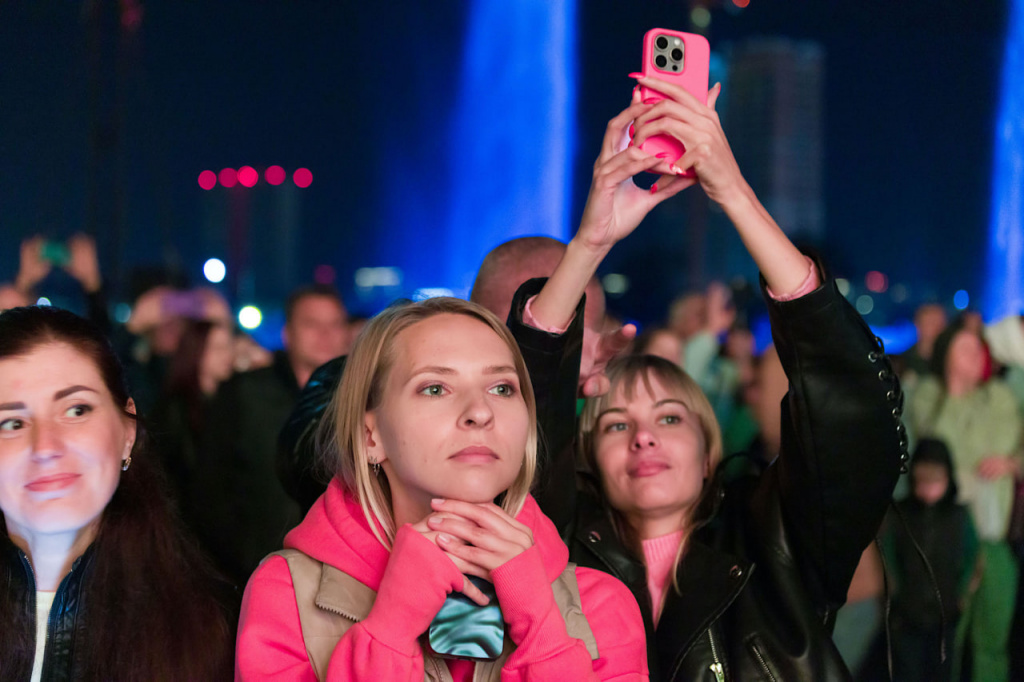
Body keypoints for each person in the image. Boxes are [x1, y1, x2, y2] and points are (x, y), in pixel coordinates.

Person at [511, 74, 904, 680]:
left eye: (669, 418)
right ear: (586, 454)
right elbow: (522, 423)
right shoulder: (554, 548)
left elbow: (852, 410)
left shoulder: (775, 542)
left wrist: (735, 194)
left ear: (708, 448)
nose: (644, 438)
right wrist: (589, 243)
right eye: (617, 424)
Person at [235, 297, 648, 680]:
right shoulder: (287, 592)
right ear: (369, 436)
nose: (480, 412)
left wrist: (543, 630)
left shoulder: (602, 603)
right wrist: (391, 629)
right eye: (435, 388)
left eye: (502, 388)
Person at [0, 305, 233, 681]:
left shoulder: (206, 627)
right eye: (11, 422)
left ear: (127, 431)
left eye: (76, 410)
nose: (45, 446)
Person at [905, 317, 1023, 682]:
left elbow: (1000, 448)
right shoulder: (926, 395)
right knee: (944, 645)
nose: (977, 354)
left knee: (992, 642)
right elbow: (935, 454)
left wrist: (1012, 462)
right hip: (942, 541)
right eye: (965, 347)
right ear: (945, 354)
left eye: (979, 348)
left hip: (991, 537)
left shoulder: (1000, 396)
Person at [205, 283, 348, 585]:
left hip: (337, 574)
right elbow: (213, 484)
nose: (325, 334)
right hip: (251, 571)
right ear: (287, 333)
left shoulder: (362, 402)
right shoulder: (244, 392)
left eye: (334, 324)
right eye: (311, 323)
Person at [882, 438, 979, 682]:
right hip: (906, 616)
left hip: (945, 616)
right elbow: (889, 556)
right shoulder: (899, 514)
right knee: (907, 672)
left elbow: (972, 557)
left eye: (935, 481)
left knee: (942, 673)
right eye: (922, 481)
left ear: (947, 480)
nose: (928, 489)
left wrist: (962, 593)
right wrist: (895, 593)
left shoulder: (959, 517)